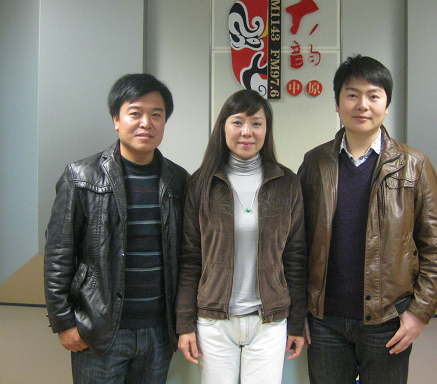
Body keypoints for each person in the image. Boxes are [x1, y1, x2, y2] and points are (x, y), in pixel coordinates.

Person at [298, 55, 437, 384]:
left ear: (386, 105)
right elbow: (297, 243)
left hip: (388, 322)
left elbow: (434, 248)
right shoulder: (315, 163)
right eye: (352, 95)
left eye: (373, 95)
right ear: (337, 103)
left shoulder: (414, 165)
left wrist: (419, 313)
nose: (362, 105)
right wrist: (299, 313)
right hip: (324, 322)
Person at [44, 74, 189, 384]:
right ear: (116, 119)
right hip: (100, 331)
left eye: (156, 115)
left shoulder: (179, 180)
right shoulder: (80, 176)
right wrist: (63, 321)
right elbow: (58, 254)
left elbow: (186, 256)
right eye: (135, 113)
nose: (146, 123)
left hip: (159, 332)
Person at [176, 90, 307, 384]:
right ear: (223, 127)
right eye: (237, 122)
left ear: (266, 130)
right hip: (214, 322)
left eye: (256, 123)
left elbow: (296, 258)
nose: (247, 131)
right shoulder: (201, 183)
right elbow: (190, 258)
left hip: (269, 322)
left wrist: (297, 323)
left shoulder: (286, 183)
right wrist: (184, 323)